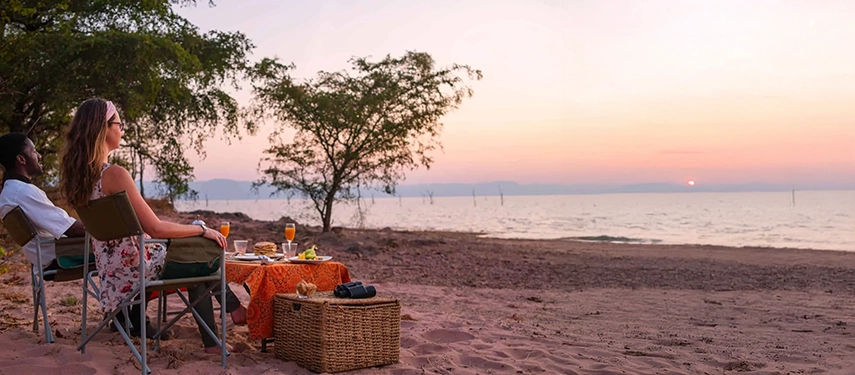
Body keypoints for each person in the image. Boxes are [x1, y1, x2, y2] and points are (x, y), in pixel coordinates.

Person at [59, 98, 246, 354]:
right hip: (139, 268)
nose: (122, 129)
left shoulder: (81, 179)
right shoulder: (114, 175)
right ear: (104, 129)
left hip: (113, 272)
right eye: (119, 124)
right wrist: (202, 229)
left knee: (198, 267)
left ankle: (218, 336)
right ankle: (234, 309)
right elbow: (156, 228)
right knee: (209, 249)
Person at [0, 132, 87, 274]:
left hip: (43, 257)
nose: (39, 155)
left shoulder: (8, 192)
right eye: (34, 151)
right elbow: (72, 229)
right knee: (128, 245)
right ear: (21, 159)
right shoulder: (23, 192)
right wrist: (106, 229)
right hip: (61, 256)